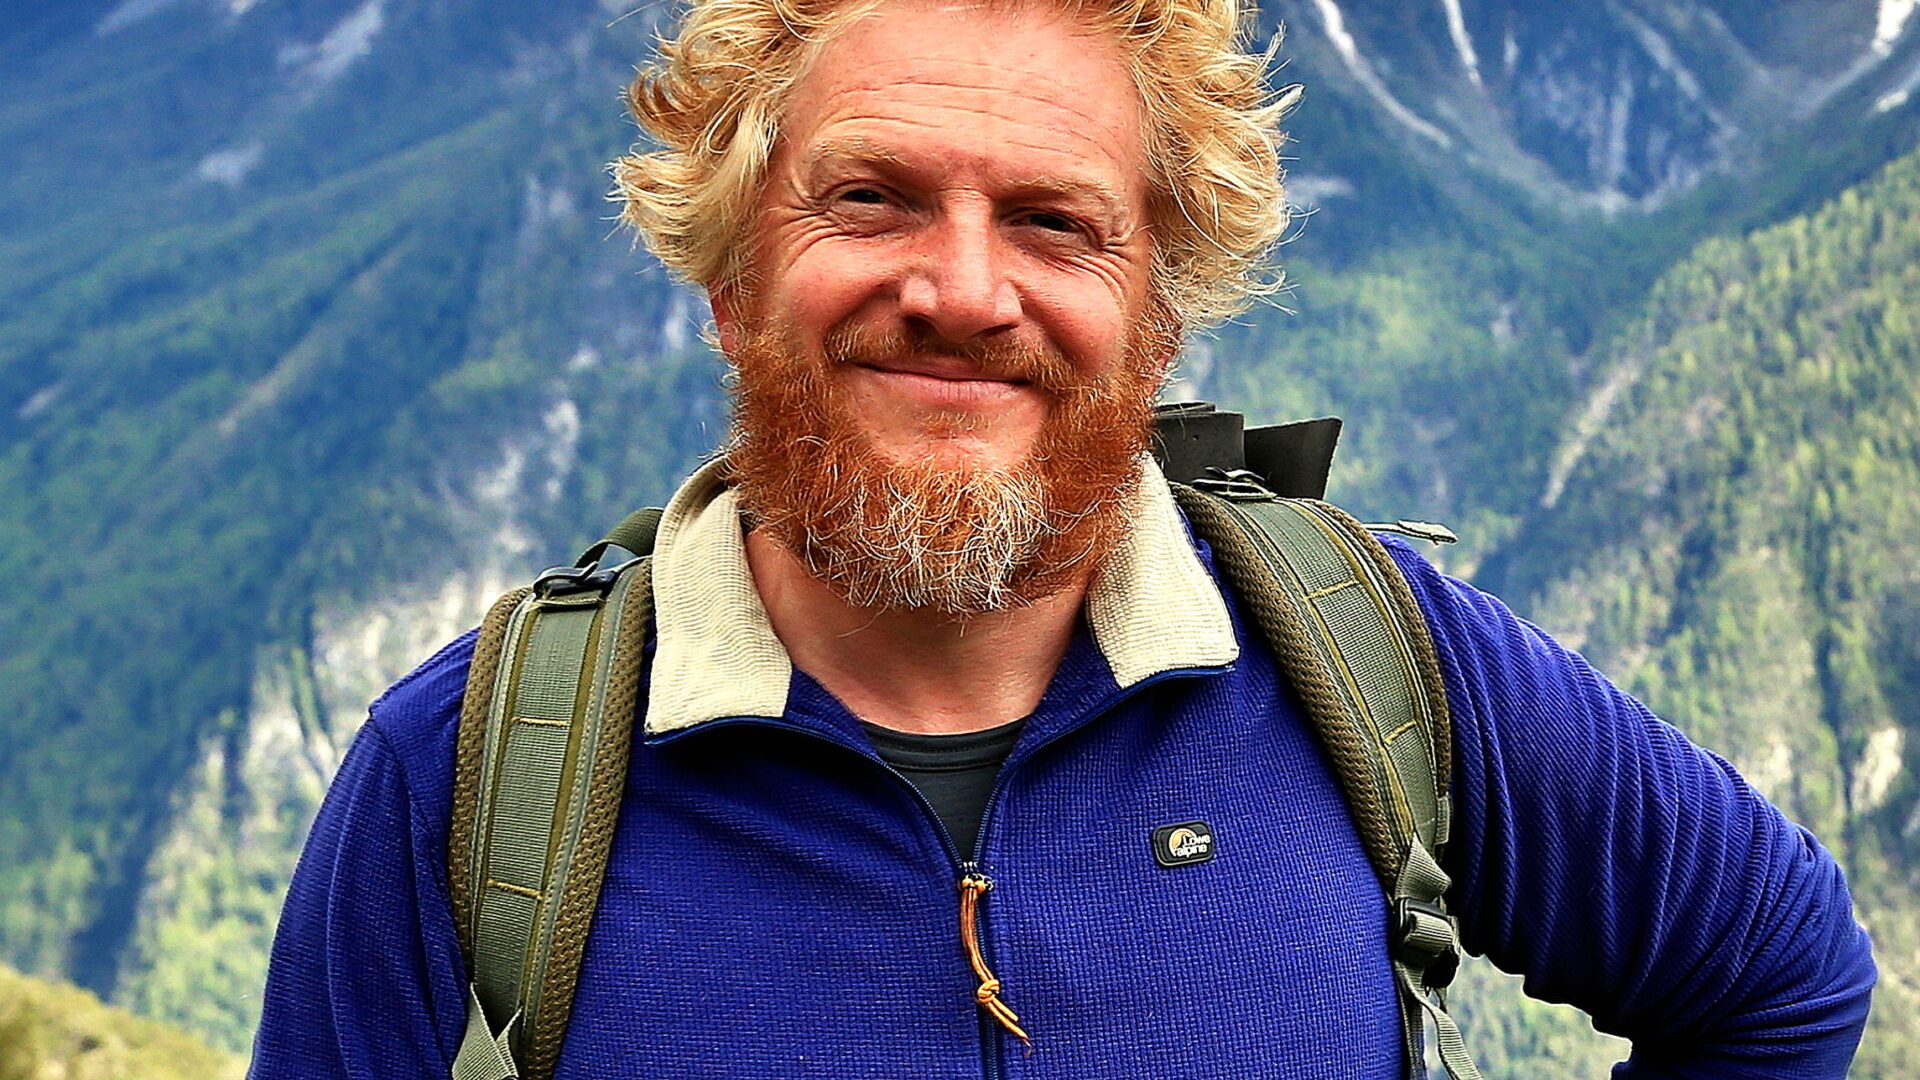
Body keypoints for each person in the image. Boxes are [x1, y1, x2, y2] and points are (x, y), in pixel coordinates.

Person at [250, 0, 1876, 1075]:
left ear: (1157, 313)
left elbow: (1781, 970)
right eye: (870, 198)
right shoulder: (465, 782)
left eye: (1053, 222)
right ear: (731, 272)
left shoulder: (1369, 655)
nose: (963, 294)